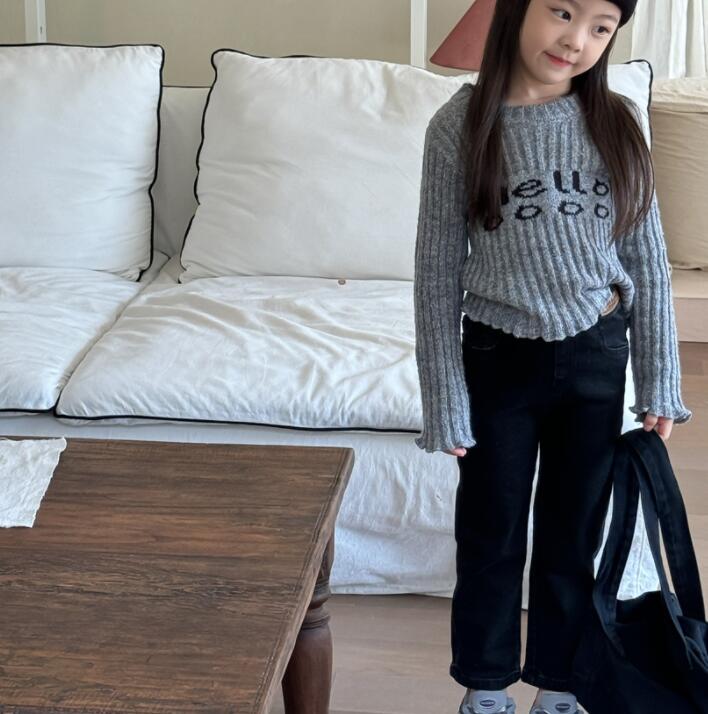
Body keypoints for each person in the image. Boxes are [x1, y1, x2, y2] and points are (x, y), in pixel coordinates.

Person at [413, 0, 693, 713]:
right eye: (562, 12)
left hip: (596, 355)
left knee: (575, 532)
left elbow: (647, 257)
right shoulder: (460, 126)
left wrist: (659, 378)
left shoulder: (616, 123)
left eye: (601, 27)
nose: (576, 39)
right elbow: (436, 269)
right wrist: (444, 396)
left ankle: (561, 681)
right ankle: (485, 682)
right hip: (497, 357)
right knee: (491, 529)